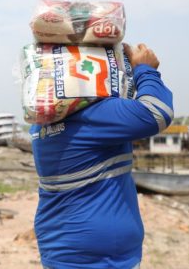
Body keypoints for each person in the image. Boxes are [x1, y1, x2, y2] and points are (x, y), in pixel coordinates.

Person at [30, 43, 173, 269]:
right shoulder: (94, 116)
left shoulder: (42, 126)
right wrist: (145, 70)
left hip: (61, 253)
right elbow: (157, 112)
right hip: (101, 262)